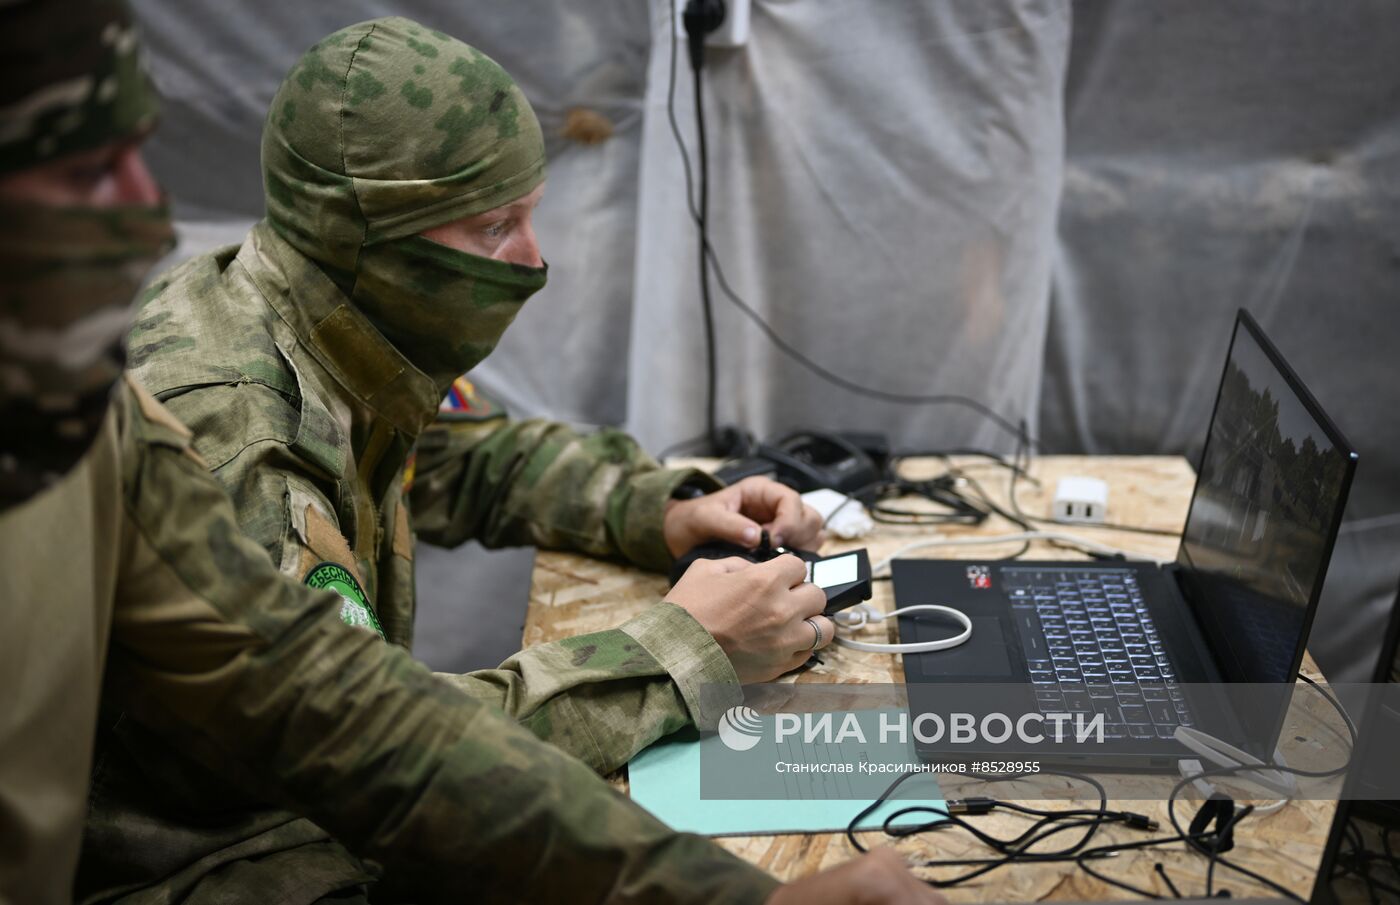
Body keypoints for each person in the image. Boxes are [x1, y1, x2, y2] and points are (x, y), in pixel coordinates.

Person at [0, 4, 950, 904]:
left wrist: (660, 507)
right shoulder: (230, 430)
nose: (531, 259)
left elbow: (458, 468)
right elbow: (345, 746)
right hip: (226, 860)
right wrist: (678, 651)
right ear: (369, 236)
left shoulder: (321, 324)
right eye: (493, 227)